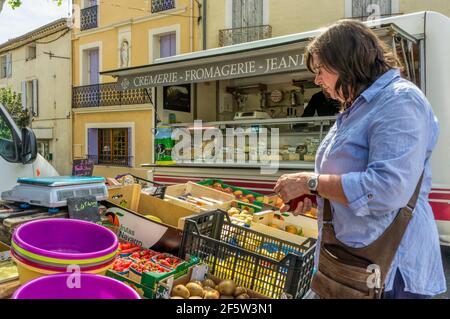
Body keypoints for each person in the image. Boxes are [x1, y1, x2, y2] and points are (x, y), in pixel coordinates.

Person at [274, 20, 446, 299]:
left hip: (390, 273)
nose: (317, 80)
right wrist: (314, 194)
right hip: (354, 263)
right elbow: (350, 175)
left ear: (346, 62)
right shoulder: (358, 107)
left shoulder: (400, 101)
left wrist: (311, 182)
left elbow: (386, 189)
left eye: (321, 70)